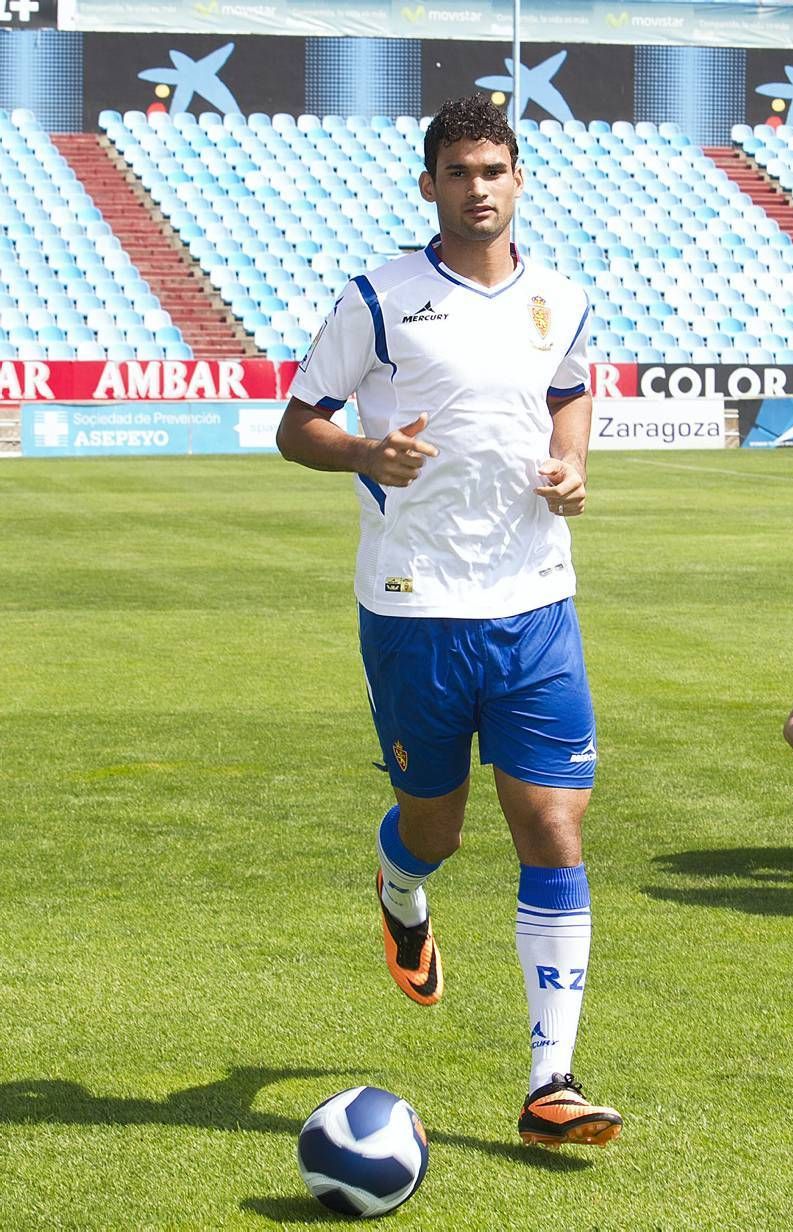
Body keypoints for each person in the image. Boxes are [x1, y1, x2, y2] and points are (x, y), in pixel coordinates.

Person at [276, 94, 622, 1149]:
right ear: (428, 184)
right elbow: (297, 426)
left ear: (518, 182)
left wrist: (572, 465)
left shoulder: (558, 297)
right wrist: (365, 454)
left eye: (495, 169)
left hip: (533, 601)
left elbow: (567, 387)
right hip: (416, 605)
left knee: (551, 825)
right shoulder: (379, 297)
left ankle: (549, 1079)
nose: (479, 186)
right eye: (460, 170)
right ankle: (398, 887)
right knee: (435, 830)